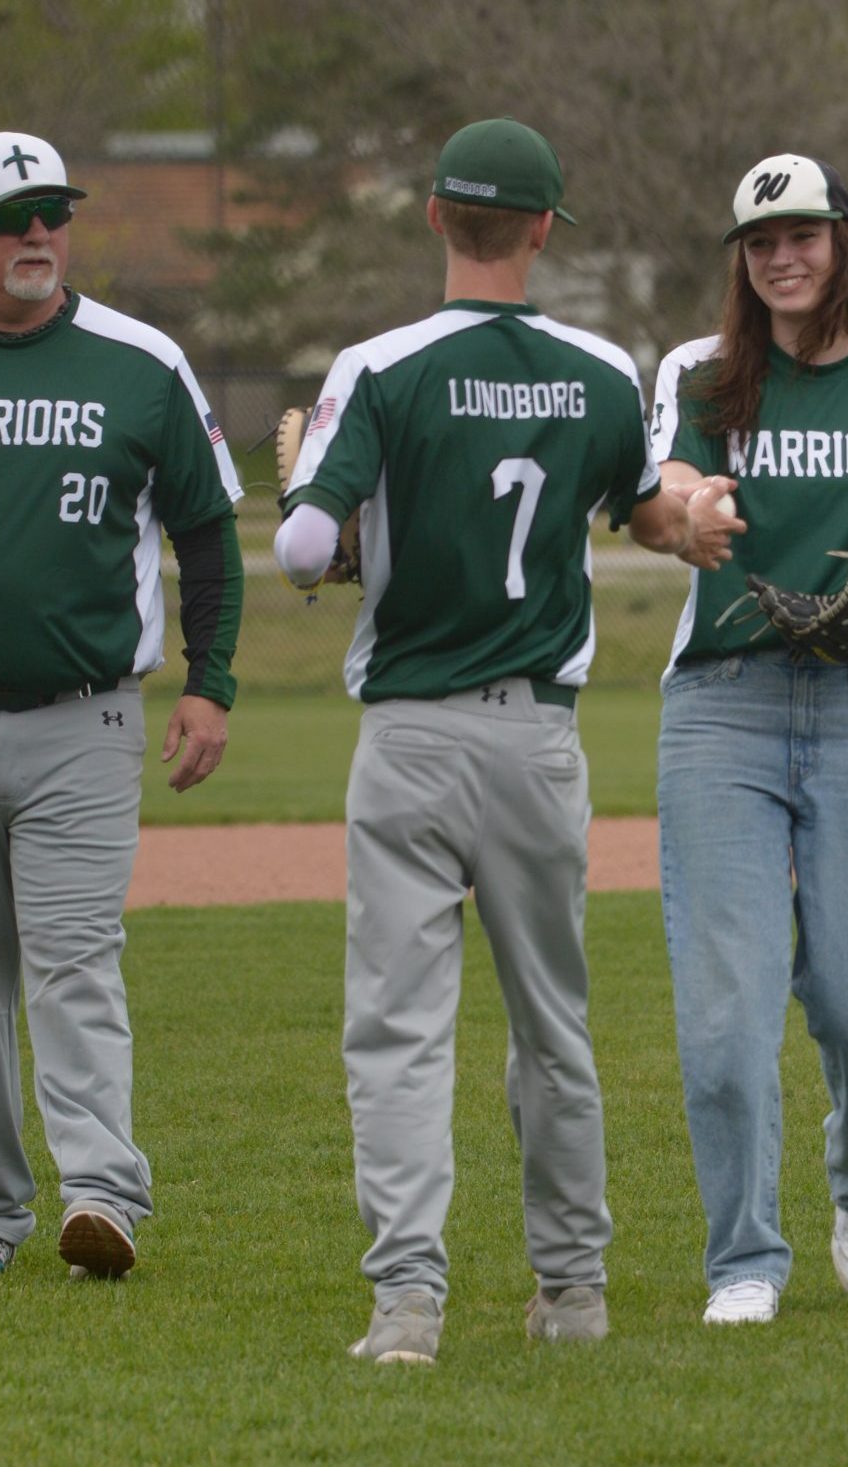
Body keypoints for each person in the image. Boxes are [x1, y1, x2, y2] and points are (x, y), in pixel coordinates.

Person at [275, 117, 739, 1364]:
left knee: (397, 1030)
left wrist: (310, 514)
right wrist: (690, 524)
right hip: (537, 740)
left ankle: (407, 1305)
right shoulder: (594, 367)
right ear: (541, 229)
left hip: (412, 738)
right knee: (551, 1023)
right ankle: (573, 1293)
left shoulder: (376, 366)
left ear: (434, 217)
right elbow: (645, 513)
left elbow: (306, 550)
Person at [650, 153, 848, 1325]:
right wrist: (692, 506)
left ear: (843, 240)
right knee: (725, 1012)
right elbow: (673, 472)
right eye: (758, 239)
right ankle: (742, 1259)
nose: (781, 255)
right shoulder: (700, 369)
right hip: (721, 707)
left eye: (802, 233)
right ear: (740, 259)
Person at [0, 132, 244, 1279]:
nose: (37, 237)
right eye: (11, 218)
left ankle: (102, 1194)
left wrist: (209, 684)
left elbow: (208, 535)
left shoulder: (139, 359)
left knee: (72, 957)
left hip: (86, 716)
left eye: (53, 214)